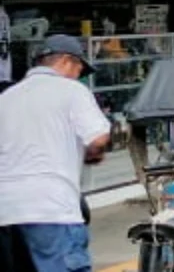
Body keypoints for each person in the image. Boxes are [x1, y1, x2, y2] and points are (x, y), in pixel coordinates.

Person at [0, 35, 111, 272]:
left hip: (6, 213)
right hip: (52, 209)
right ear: (67, 61)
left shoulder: (6, 98)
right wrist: (93, 153)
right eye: (80, 69)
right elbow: (98, 139)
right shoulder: (72, 91)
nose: (79, 76)